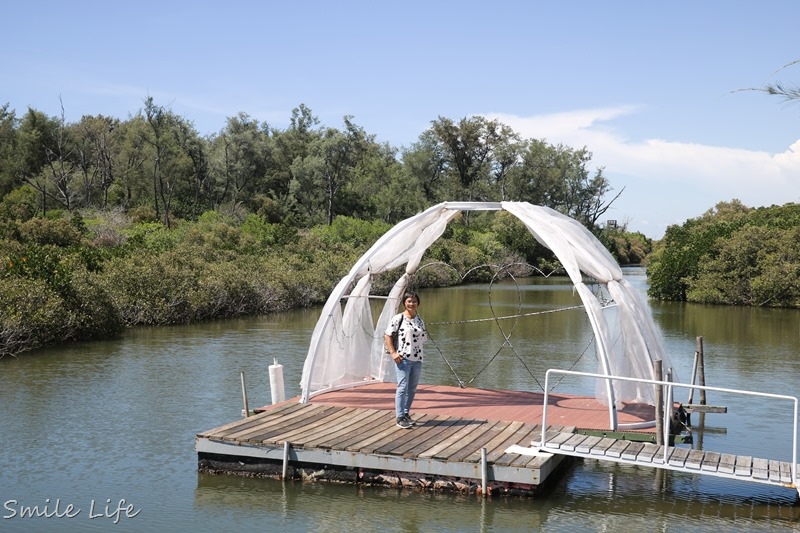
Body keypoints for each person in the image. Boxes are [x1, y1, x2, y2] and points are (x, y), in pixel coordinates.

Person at [384, 290, 427, 429]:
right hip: (403, 358)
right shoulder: (398, 318)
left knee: (412, 389)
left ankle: (406, 413)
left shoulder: (419, 321)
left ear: (418, 303)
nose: (412, 304)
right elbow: (388, 335)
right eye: (409, 301)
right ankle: (399, 416)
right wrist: (393, 353)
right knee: (402, 387)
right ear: (404, 303)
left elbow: (422, 339)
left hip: (417, 359)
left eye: (414, 301)